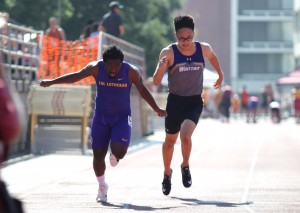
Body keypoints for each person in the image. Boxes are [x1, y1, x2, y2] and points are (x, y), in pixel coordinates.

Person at [40, 45, 167, 202]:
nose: (113, 70)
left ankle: (115, 153)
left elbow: (142, 90)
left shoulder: (130, 71)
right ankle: (102, 186)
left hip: (121, 117)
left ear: (122, 63)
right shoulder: (96, 68)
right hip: (101, 118)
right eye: (109, 66)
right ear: (103, 63)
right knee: (98, 156)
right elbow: (76, 76)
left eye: (116, 66)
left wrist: (156, 108)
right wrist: (52, 82)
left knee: (119, 152)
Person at [152, 15, 223, 195]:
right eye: (181, 39)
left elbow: (213, 58)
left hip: (193, 101)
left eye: (189, 38)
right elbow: (156, 81)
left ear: (193, 34)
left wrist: (220, 74)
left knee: (185, 136)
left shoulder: (203, 49)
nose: (185, 42)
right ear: (176, 35)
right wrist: (161, 68)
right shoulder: (168, 52)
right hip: (175, 101)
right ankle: (167, 174)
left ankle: (185, 165)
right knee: (169, 142)